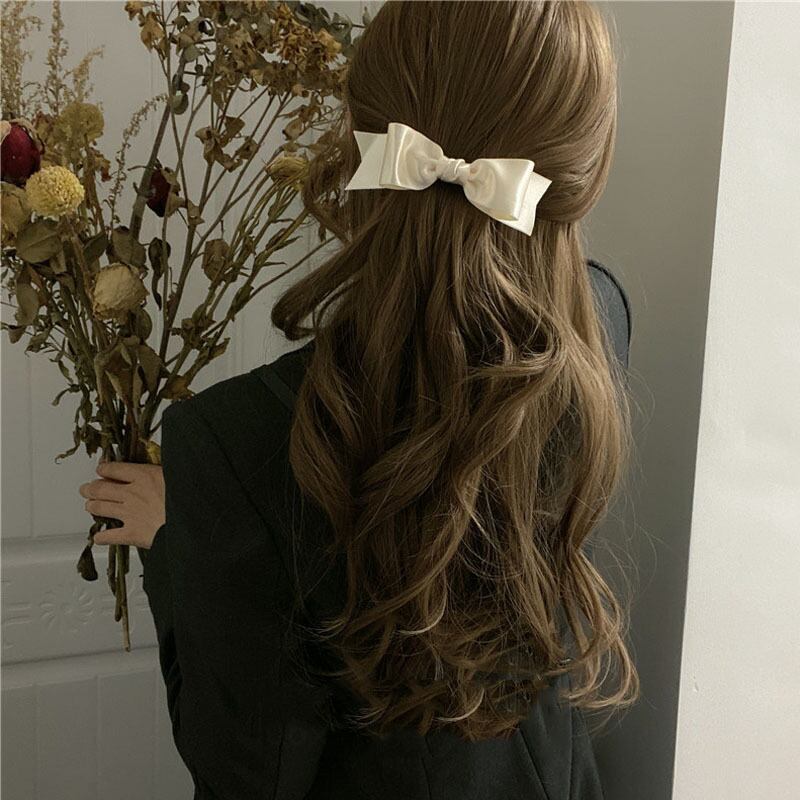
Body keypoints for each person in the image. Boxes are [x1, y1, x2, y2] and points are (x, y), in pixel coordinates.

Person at [79, 2, 638, 797]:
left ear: (360, 135)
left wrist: (184, 540)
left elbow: (244, 774)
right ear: (585, 163)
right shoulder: (602, 324)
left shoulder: (233, 446)